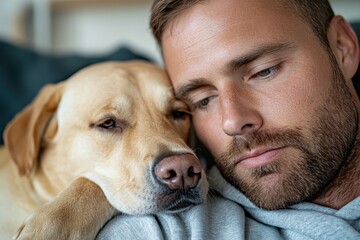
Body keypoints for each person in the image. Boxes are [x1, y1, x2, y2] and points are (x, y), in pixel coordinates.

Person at [97, 0, 360, 239]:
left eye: (263, 72)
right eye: (203, 101)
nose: (232, 122)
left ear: (342, 48)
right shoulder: (164, 229)